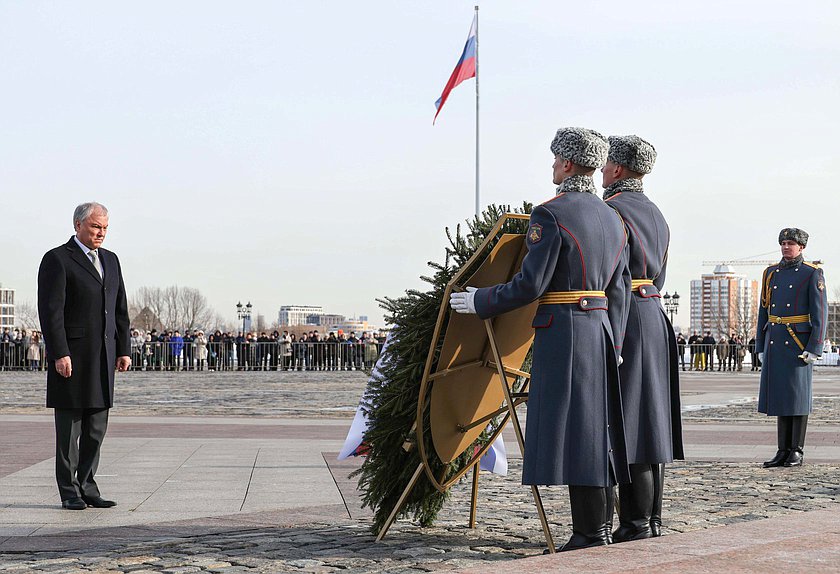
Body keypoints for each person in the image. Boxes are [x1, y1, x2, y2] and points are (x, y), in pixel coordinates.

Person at [451, 127, 631, 552]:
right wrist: (616, 344)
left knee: (575, 432)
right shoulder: (613, 216)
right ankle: (599, 528)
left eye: (555, 159)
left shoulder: (551, 213)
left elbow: (531, 284)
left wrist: (481, 301)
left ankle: (588, 533)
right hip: (601, 331)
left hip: (564, 330)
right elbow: (620, 286)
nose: (552, 165)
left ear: (568, 164)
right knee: (597, 429)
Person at [602, 135, 683, 541]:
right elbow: (661, 274)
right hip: (653, 313)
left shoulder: (611, 211)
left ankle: (634, 523)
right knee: (650, 421)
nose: (600, 171)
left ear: (617, 169)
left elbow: (613, 277)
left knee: (628, 421)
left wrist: (612, 338)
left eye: (605, 164)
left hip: (626, 316)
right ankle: (651, 520)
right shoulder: (657, 214)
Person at [37, 202, 130, 510]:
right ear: (77, 225)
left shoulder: (111, 260)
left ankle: (88, 485)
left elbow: (119, 309)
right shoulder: (58, 259)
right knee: (69, 430)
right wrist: (59, 352)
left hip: (103, 358)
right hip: (72, 359)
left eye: (104, 227)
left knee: (95, 429)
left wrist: (124, 349)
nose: (101, 233)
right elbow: (51, 312)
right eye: (95, 227)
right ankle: (69, 491)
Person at [756, 228, 827, 468]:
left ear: (802, 247)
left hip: (797, 342)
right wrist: (760, 345)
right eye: (784, 243)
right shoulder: (770, 273)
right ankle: (782, 449)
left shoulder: (811, 274)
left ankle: (796, 449)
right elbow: (763, 311)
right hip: (775, 340)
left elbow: (820, 314)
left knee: (797, 397)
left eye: (791, 243)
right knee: (780, 398)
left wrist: (815, 346)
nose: (786, 247)